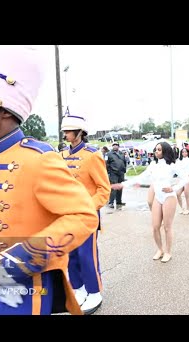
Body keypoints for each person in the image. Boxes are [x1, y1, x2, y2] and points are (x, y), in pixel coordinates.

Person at [0, 46, 99, 315]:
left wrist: (21, 259)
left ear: (5, 110)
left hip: (23, 286)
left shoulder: (39, 158)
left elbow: (83, 216)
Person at [60, 113, 111, 314]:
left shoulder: (92, 155)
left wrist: (87, 207)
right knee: (70, 254)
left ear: (80, 132)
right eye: (64, 130)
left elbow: (103, 189)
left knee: (86, 255)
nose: (65, 134)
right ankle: (78, 289)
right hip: (67, 214)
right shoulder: (62, 155)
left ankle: (94, 292)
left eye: (69, 131)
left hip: (87, 215)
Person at [111, 142, 189, 263]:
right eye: (155, 149)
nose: (156, 151)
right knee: (155, 227)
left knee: (168, 228)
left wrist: (174, 188)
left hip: (169, 197)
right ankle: (160, 249)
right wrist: (123, 185)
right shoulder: (153, 164)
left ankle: (168, 252)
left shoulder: (172, 164)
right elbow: (140, 177)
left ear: (165, 151)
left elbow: (186, 178)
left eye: (159, 150)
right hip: (158, 197)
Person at [106, 142, 127, 208]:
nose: (115, 146)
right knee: (114, 188)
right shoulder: (108, 154)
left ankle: (119, 201)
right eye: (114, 145)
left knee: (120, 187)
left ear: (118, 146)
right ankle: (111, 202)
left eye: (116, 145)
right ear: (112, 146)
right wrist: (108, 172)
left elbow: (124, 162)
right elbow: (106, 163)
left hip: (121, 173)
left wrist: (124, 170)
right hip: (113, 173)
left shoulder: (122, 153)